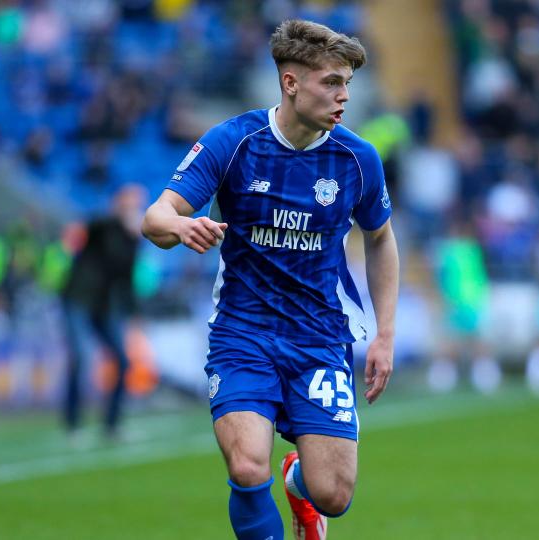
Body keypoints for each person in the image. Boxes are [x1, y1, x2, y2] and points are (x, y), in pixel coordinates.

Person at [141, 20, 399, 540]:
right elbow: (155, 218)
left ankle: (301, 485)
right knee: (246, 466)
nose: (343, 96)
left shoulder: (357, 158)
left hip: (320, 337)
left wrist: (385, 334)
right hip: (243, 331)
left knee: (335, 494)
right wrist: (181, 224)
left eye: (346, 83)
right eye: (331, 82)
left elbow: (380, 239)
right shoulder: (234, 142)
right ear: (290, 83)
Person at [62, 184, 145, 441]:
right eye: (129, 203)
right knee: (80, 357)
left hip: (104, 304)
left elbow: (127, 278)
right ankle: (73, 422)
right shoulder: (103, 226)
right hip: (79, 297)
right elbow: (89, 226)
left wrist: (133, 312)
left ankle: (112, 423)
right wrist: (118, 218)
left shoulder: (132, 240)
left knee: (122, 360)